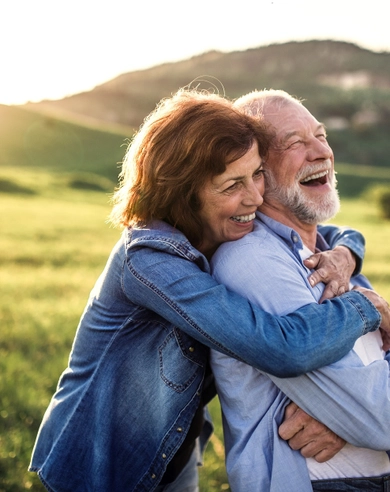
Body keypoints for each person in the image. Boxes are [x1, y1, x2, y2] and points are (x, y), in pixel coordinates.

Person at [28, 89, 389, 492]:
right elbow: (279, 347)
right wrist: (366, 307)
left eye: (256, 174)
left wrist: (344, 255)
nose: (255, 196)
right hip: (103, 463)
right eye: (233, 184)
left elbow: (333, 232)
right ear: (185, 192)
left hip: (174, 448)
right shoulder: (149, 261)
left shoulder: (218, 231)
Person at [210, 89, 390, 491]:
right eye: (294, 143)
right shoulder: (252, 261)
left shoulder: (333, 258)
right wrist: (357, 419)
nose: (320, 152)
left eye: (321, 135)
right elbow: (378, 418)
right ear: (258, 173)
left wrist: (347, 421)